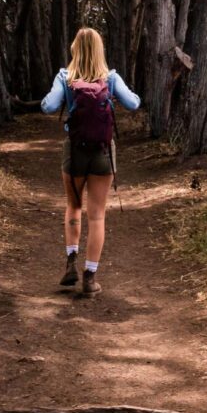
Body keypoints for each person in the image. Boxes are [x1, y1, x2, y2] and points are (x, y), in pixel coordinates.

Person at [41, 28, 140, 296]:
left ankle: (70, 263)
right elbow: (133, 103)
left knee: (73, 206)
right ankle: (90, 277)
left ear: (75, 49)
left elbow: (49, 107)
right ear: (100, 51)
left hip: (74, 150)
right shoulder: (110, 77)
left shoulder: (65, 77)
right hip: (102, 152)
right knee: (97, 215)